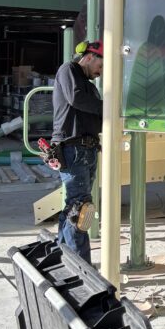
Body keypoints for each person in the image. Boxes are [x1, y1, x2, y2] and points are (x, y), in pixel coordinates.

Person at [52, 40, 103, 262]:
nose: (101, 73)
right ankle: (81, 266)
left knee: (75, 206)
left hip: (86, 148)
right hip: (75, 147)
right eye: (101, 66)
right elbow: (76, 99)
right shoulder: (69, 70)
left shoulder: (87, 83)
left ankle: (62, 256)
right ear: (90, 57)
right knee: (81, 209)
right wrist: (111, 107)